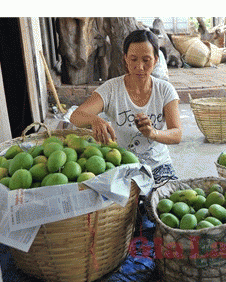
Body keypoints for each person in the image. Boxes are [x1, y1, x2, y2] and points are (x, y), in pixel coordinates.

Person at [70, 29, 182, 184]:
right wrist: (94, 119)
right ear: (125, 59)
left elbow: (177, 134)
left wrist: (152, 132)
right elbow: (75, 116)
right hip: (121, 165)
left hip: (158, 166)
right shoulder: (111, 89)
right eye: (134, 59)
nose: (140, 66)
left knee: (164, 204)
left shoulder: (165, 90)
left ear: (156, 60)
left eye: (146, 60)